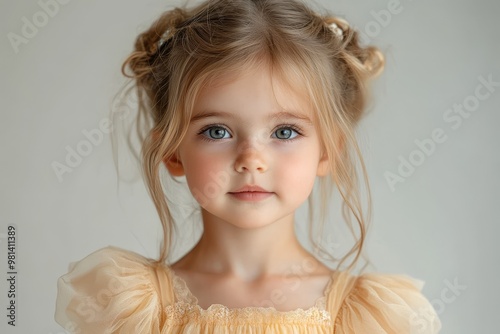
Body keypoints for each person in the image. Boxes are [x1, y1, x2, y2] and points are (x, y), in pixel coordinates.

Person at [54, 0, 442, 332]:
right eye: (217, 131)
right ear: (172, 152)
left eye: (286, 132)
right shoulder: (130, 312)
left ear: (328, 152)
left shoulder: (367, 319)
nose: (251, 160)